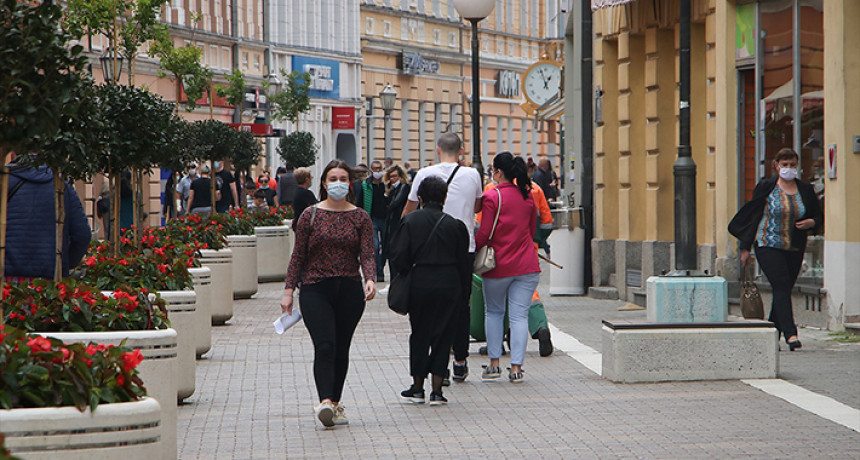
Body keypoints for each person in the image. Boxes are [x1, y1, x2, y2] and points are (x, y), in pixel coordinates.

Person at [281, 160, 376, 428]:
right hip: (314, 288)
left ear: (350, 183)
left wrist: (369, 278)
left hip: (348, 289)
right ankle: (324, 401)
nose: (338, 183)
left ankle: (335, 403)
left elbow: (367, 253)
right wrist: (288, 291)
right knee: (325, 345)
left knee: (341, 348)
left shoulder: (360, 217)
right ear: (324, 183)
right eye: (333, 178)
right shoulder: (310, 215)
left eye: (343, 178)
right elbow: (297, 256)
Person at [402, 132, 483, 383]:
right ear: (461, 151)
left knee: (429, 312)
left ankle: (439, 368)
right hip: (463, 247)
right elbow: (478, 206)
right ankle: (460, 359)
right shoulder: (473, 174)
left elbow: (409, 210)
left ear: (438, 150)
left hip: (428, 250)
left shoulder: (424, 174)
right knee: (460, 306)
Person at [729, 148, 822, 351]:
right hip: (767, 244)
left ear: (798, 166)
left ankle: (773, 335)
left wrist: (811, 223)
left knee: (784, 289)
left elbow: (818, 216)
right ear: (776, 165)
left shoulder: (805, 189)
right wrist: (745, 248)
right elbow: (754, 216)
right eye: (785, 164)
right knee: (780, 286)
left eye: (792, 165)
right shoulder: (766, 187)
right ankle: (791, 334)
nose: (789, 168)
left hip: (795, 247)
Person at [391, 177, 470, 406]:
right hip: (449, 283)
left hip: (420, 283)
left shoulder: (409, 222)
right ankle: (437, 389)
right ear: (445, 198)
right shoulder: (455, 225)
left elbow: (399, 257)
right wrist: (464, 294)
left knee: (420, 333)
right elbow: (464, 264)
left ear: (421, 198)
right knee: (443, 335)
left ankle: (417, 387)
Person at [475, 151, 540, 383]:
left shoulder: (493, 197)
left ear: (498, 172)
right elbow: (532, 231)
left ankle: (494, 364)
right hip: (527, 265)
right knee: (519, 316)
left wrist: (472, 249)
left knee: (494, 312)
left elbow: (484, 233)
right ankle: (516, 368)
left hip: (498, 265)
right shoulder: (527, 196)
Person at [4, 158, 90, 281]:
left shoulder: (5, 181)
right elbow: (82, 234)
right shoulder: (63, 185)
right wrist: (66, 261)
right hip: (51, 276)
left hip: (8, 276)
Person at [353, 160, 388, 282]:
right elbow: (360, 202)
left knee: (386, 246)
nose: (377, 171)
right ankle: (378, 272)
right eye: (375, 169)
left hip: (385, 218)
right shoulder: (365, 185)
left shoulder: (386, 185)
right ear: (371, 171)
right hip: (371, 218)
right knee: (375, 246)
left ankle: (381, 266)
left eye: (379, 169)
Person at [382, 165, 411, 266]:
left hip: (399, 221)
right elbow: (384, 206)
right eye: (391, 177)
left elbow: (396, 203)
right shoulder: (392, 190)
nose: (392, 179)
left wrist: (389, 205)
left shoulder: (404, 187)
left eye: (395, 176)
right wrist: (386, 192)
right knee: (390, 251)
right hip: (391, 222)